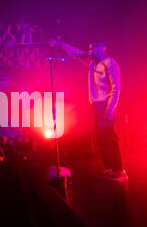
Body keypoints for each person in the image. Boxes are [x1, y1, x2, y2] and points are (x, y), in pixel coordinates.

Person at [54, 40, 127, 180]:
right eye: (90, 49)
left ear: (103, 49)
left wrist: (110, 108)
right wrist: (61, 44)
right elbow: (76, 53)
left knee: (109, 138)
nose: (91, 51)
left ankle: (119, 169)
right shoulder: (93, 63)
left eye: (94, 49)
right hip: (96, 105)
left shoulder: (110, 63)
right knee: (101, 139)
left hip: (106, 104)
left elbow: (116, 88)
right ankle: (109, 168)